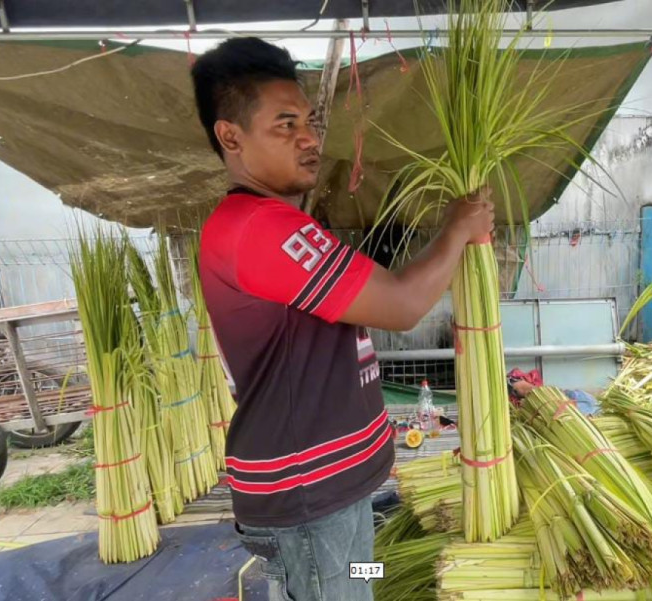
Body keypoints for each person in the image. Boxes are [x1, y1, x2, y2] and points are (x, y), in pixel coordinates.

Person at [190, 38, 494, 601]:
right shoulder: (260, 229)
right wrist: (459, 227)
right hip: (309, 500)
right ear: (230, 136)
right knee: (336, 591)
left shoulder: (276, 223)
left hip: (335, 493)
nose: (310, 138)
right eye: (285, 125)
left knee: (360, 579)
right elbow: (402, 306)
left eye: (308, 121)